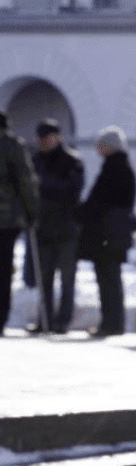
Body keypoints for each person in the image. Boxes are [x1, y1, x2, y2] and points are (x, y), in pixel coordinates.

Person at [76, 126, 136, 337]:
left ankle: (111, 323)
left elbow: (99, 201)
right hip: (115, 233)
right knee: (111, 278)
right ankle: (113, 322)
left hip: (107, 233)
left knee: (108, 278)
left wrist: (80, 213)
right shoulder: (122, 167)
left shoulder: (113, 169)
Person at [29, 119, 84, 334]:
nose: (43, 142)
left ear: (57, 137)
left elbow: (72, 190)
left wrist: (43, 184)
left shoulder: (71, 161)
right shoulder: (35, 160)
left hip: (66, 227)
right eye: (41, 138)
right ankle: (45, 320)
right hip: (43, 227)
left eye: (47, 138)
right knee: (45, 280)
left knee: (67, 278)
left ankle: (63, 320)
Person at [0, 111, 39, 334]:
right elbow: (26, 180)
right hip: (6, 218)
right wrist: (31, 212)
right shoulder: (12, 145)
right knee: (4, 269)